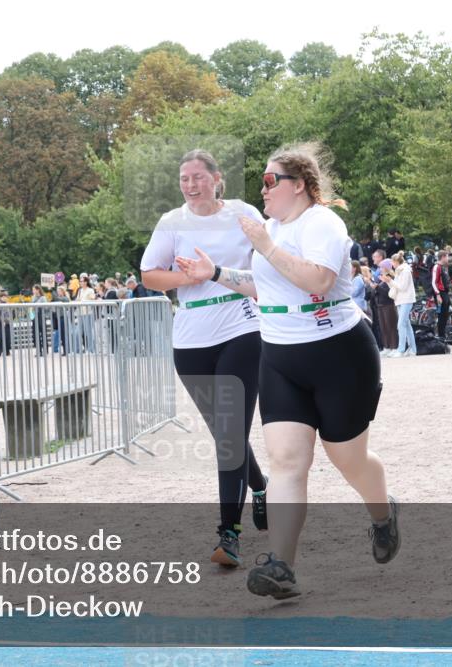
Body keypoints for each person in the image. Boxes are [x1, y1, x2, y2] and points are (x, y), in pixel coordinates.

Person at [176, 143, 398, 599]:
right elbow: (264, 286)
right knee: (286, 461)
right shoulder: (272, 231)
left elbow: (316, 280)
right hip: (280, 355)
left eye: (270, 180)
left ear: (299, 185)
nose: (263, 189)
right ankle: (281, 565)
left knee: (348, 460)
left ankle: (383, 513)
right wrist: (215, 272)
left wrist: (264, 244)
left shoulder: (322, 223)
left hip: (338, 354)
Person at [141, 148, 269, 568]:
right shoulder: (171, 222)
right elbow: (149, 275)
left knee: (231, 435)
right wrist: (188, 276)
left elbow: (270, 260)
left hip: (241, 327)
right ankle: (259, 485)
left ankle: (229, 535)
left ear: (217, 179)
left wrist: (215, 274)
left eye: (198, 177)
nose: (191, 185)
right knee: (224, 434)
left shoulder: (243, 212)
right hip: (191, 337)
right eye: (184, 178)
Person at [384, 251, 416, 357]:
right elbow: (395, 287)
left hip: (406, 299)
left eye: (392, 262)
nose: (391, 265)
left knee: (401, 324)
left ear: (396, 261)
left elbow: (402, 287)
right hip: (400, 300)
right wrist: (388, 281)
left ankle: (401, 349)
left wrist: (391, 281)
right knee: (406, 325)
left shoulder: (405, 271)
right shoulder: (399, 271)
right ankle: (412, 349)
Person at [374, 259, 399, 356]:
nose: (380, 269)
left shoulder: (390, 277)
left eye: (381, 267)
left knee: (391, 326)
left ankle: (393, 346)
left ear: (386, 267)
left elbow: (388, 293)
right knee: (383, 327)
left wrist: (377, 287)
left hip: (388, 305)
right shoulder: (382, 278)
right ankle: (386, 346)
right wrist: (375, 287)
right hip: (380, 304)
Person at [431, 250, 451, 337]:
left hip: (445, 293)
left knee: (445, 315)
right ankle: (441, 335)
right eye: (447, 256)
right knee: (441, 316)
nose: (448, 258)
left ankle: (443, 334)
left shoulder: (443, 267)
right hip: (440, 294)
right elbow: (433, 282)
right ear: (443, 257)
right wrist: (438, 295)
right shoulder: (437, 267)